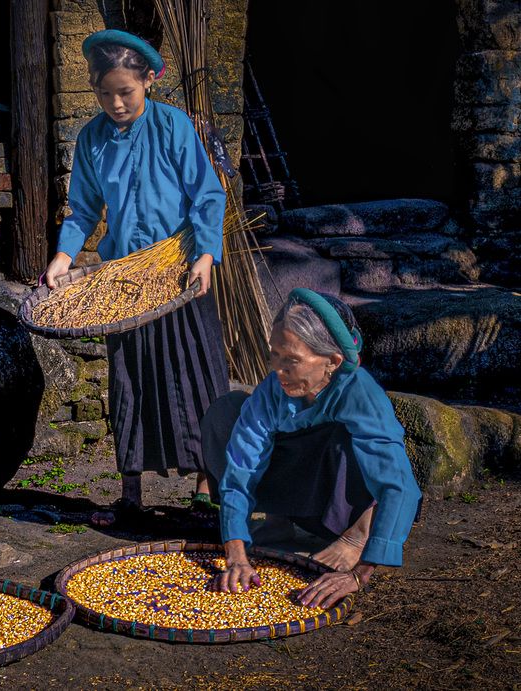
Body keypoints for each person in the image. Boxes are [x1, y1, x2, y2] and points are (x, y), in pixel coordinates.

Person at [42, 29, 229, 526]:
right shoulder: (92, 139)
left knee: (196, 376)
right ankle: (131, 495)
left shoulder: (172, 127)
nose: (116, 103)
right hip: (127, 280)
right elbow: (82, 207)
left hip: (182, 271)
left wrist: (206, 254)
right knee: (132, 380)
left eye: (125, 91)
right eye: (105, 93)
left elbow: (208, 195)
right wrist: (64, 255)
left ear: (148, 80)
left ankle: (205, 488)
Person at [202, 288, 422, 609]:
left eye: (291, 360)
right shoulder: (272, 391)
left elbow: (398, 486)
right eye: (274, 354)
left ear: (332, 362)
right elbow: (241, 470)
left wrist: (360, 575)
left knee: (341, 433)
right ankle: (278, 521)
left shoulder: (360, 392)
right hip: (301, 496)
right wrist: (236, 554)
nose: (278, 370)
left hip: (343, 505)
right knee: (228, 410)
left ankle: (356, 535)